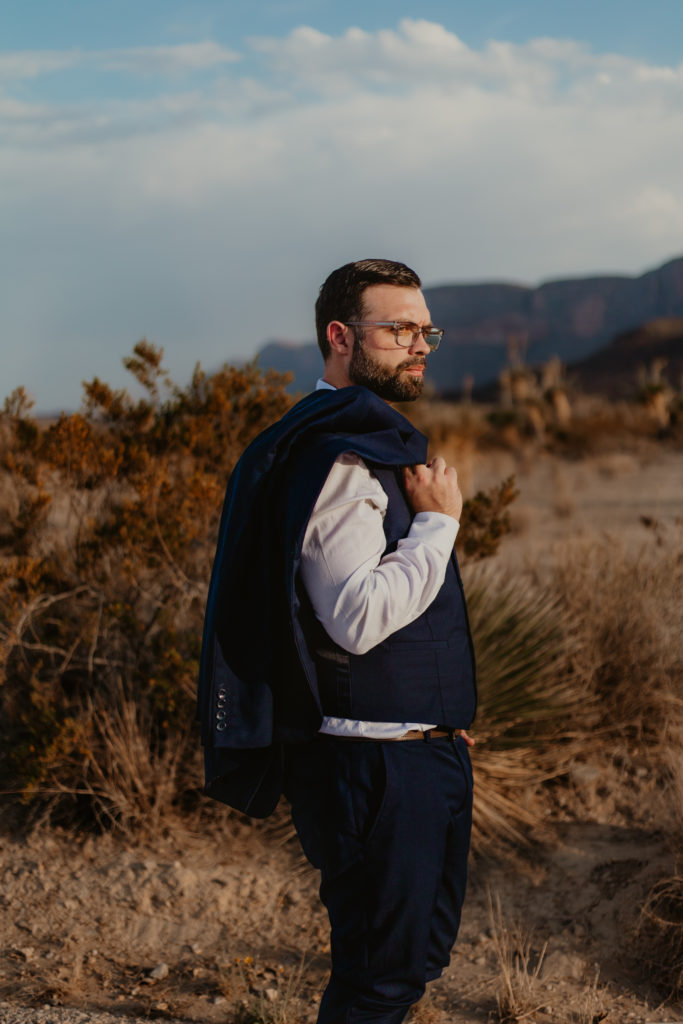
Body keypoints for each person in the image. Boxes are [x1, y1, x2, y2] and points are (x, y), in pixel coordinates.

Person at [197, 259, 477, 1024]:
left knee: (409, 961)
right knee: (378, 978)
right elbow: (354, 617)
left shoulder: (352, 439)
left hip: (413, 752)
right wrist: (439, 523)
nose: (417, 345)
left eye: (425, 331)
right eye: (397, 330)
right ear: (339, 337)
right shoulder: (341, 456)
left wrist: (440, 723)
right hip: (375, 767)